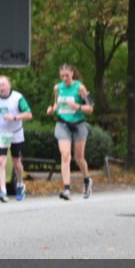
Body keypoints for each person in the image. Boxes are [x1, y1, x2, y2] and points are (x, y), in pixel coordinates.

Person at [46, 64, 95, 200]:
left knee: (79, 158)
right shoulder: (57, 87)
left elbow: (91, 107)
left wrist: (78, 106)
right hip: (63, 124)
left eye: (67, 75)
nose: (64, 79)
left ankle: (87, 179)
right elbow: (57, 104)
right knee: (65, 155)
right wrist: (52, 110)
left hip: (79, 125)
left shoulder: (80, 88)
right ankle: (66, 189)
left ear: (72, 73)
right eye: (62, 76)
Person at [0, 75, 32, 202]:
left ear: (9, 85)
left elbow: (29, 114)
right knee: (1, 161)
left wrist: (14, 117)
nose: (1, 88)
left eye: (3, 85)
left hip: (16, 133)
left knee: (17, 163)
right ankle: (3, 191)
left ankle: (20, 184)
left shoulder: (17, 98)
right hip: (1, 134)